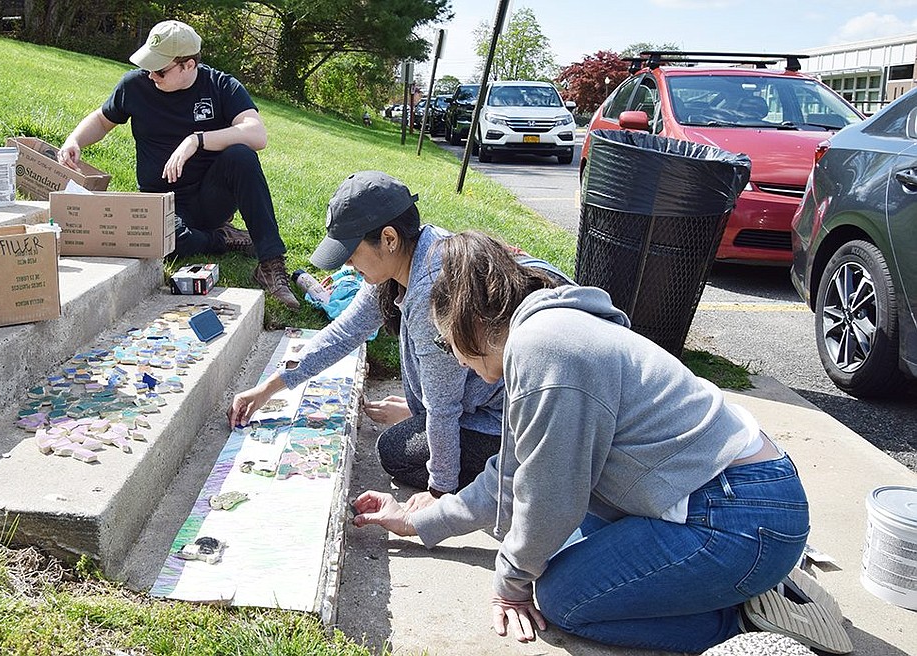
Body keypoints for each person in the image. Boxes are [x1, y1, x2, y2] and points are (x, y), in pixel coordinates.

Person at [352, 230, 811, 653]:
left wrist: (510, 583)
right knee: (550, 550)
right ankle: (731, 584)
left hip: (740, 516)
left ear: (469, 321)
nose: (451, 355)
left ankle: (739, 625)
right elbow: (509, 479)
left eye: (444, 339)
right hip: (735, 498)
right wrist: (419, 522)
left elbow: (549, 499)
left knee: (563, 599)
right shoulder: (542, 335)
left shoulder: (544, 352)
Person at [228, 171, 569, 497]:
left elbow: (444, 409)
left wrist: (439, 494)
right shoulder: (413, 251)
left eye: (351, 253)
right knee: (415, 424)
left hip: (514, 423)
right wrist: (267, 389)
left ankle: (509, 476)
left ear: (388, 239)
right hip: (484, 400)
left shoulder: (432, 294)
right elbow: (345, 332)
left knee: (395, 451)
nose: (348, 265)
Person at [57, 20, 299, 309]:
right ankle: (222, 239)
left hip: (211, 197)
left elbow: (256, 134)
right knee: (165, 245)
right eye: (148, 66)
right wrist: (75, 140)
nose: (151, 75)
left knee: (242, 156)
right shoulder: (134, 86)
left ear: (189, 65)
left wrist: (197, 140)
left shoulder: (221, 86)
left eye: (159, 70)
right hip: (163, 203)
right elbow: (101, 119)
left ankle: (270, 263)